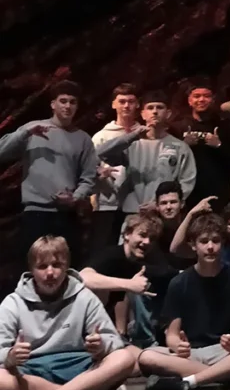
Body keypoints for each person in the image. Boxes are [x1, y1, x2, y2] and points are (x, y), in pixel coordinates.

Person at [0, 235, 134, 390]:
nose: (50, 273)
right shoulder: (13, 303)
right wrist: (11, 356)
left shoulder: (84, 297)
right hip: (32, 372)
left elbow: (113, 341)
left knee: (124, 358)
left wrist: (101, 346)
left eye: (57, 265)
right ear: (31, 270)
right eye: (42, 266)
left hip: (80, 367)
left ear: (66, 267)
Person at [137, 213, 230, 390]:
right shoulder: (179, 282)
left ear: (223, 244)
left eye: (216, 241)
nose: (210, 247)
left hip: (225, 351)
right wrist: (178, 346)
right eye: (204, 241)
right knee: (146, 356)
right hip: (191, 354)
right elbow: (172, 335)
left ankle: (190, 381)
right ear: (193, 245)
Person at [0, 80, 97, 259]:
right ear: (53, 104)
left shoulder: (83, 139)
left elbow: (89, 177)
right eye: (63, 101)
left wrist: (75, 198)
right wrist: (25, 133)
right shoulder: (33, 129)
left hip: (66, 215)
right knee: (33, 265)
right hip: (35, 213)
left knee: (66, 265)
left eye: (72, 102)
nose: (67, 106)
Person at [80, 213, 174, 354]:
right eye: (142, 235)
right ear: (127, 235)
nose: (147, 242)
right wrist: (130, 284)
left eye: (152, 238)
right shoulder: (112, 255)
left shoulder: (131, 263)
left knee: (146, 357)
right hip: (79, 329)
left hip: (98, 332)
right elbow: (83, 277)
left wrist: (120, 331)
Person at [96, 91, 196, 214]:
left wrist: (162, 203)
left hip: (165, 212)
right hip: (132, 211)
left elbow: (187, 181)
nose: (155, 111)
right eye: (150, 108)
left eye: (159, 107)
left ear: (168, 113)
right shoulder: (132, 144)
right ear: (143, 114)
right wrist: (131, 136)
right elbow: (102, 153)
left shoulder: (180, 147)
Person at [174, 79, 230, 210]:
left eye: (206, 96)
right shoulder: (177, 128)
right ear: (189, 101)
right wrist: (184, 146)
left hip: (218, 195)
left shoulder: (224, 128)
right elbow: (169, 166)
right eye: (196, 96)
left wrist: (219, 146)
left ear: (213, 100)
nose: (201, 100)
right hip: (188, 195)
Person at [91, 82, 142, 253]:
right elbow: (87, 169)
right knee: (104, 251)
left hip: (137, 206)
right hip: (107, 205)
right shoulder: (101, 136)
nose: (126, 106)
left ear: (138, 104)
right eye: (122, 101)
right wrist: (99, 173)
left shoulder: (145, 134)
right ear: (113, 104)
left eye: (131, 101)